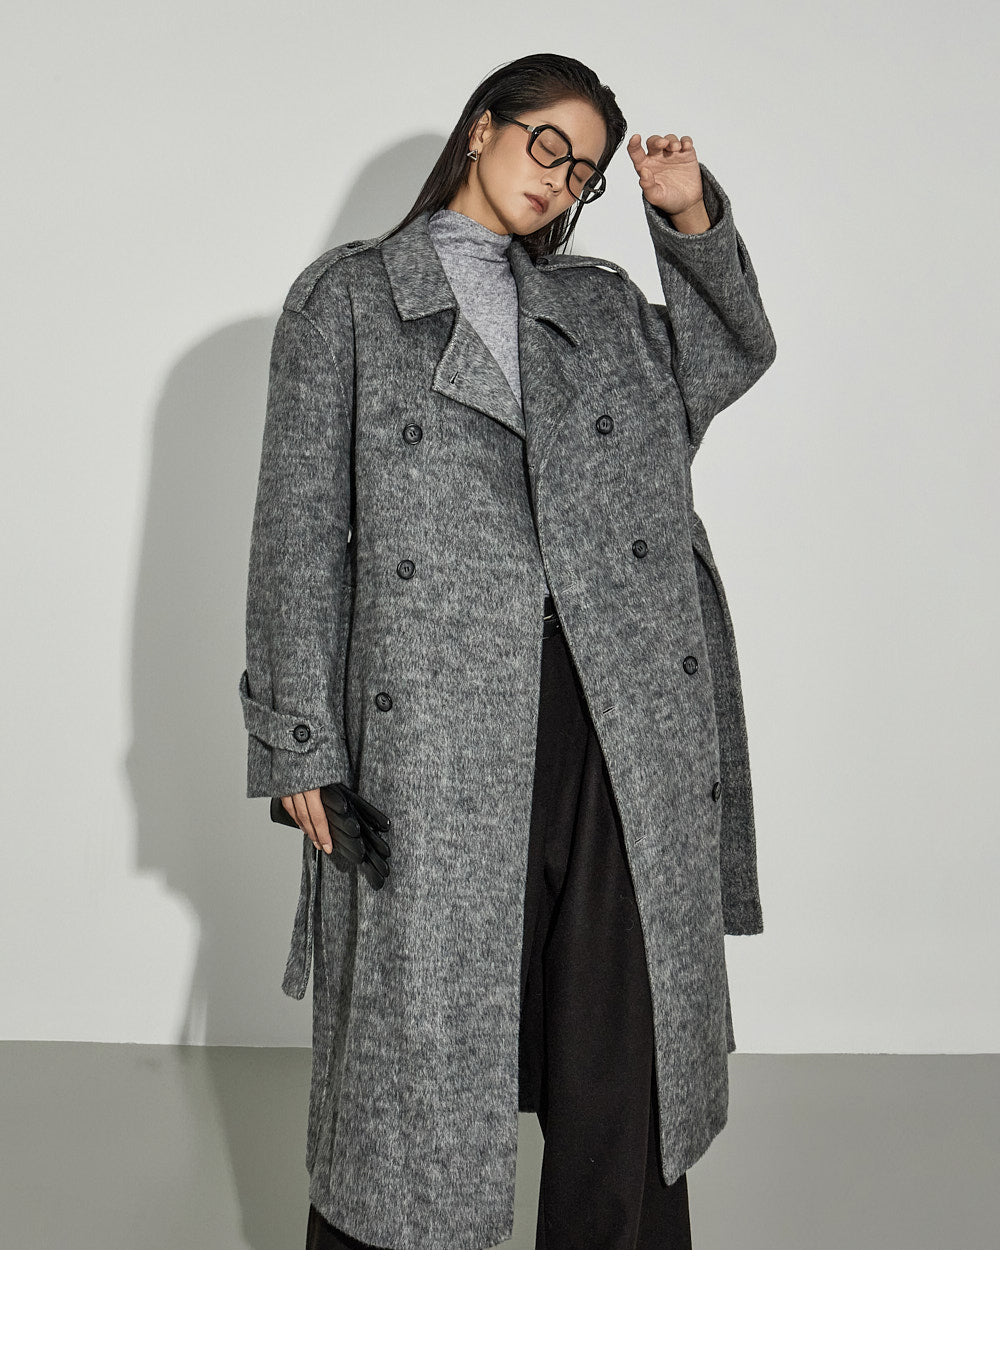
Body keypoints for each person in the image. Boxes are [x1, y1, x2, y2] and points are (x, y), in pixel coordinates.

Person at [239, 52, 776, 1250]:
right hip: (436, 716)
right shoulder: (349, 301)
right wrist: (298, 741)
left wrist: (685, 216)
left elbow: (723, 361)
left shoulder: (596, 305)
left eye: (582, 172)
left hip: (616, 708)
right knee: (419, 1040)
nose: (560, 180)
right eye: (547, 146)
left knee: (620, 1029)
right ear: (483, 127)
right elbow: (297, 533)